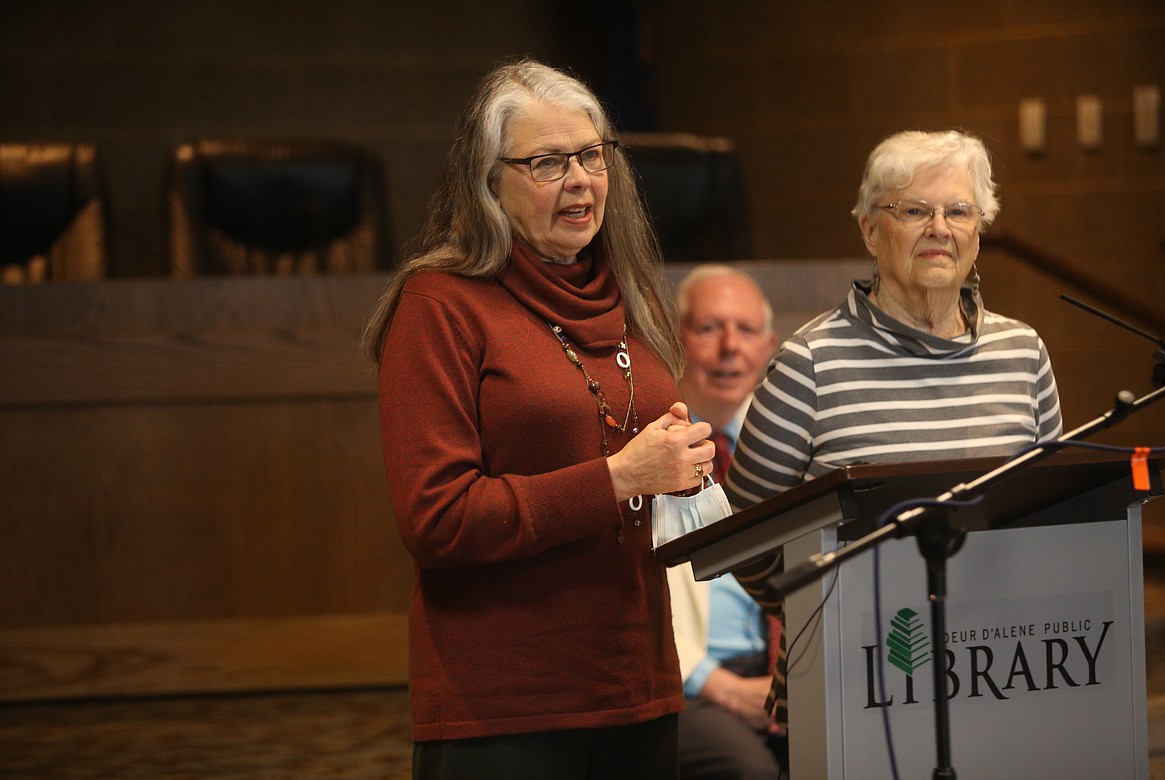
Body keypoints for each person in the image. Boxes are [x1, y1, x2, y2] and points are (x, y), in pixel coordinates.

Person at [361, 59, 716, 780]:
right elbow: (437, 518)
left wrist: (682, 468)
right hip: (506, 705)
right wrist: (617, 478)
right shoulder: (440, 306)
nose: (581, 181)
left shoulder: (627, 289)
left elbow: (632, 466)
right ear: (490, 182)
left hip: (638, 683)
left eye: (591, 156)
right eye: (548, 163)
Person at [725, 129, 1064, 716]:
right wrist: (823, 609)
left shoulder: (1024, 353)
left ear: (978, 231)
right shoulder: (810, 364)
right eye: (915, 210)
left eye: (959, 211)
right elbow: (744, 539)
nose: (940, 228)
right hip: (847, 680)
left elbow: (1055, 512)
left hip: (1009, 668)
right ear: (869, 230)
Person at [667, 264, 785, 780]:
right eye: (710, 328)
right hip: (681, 683)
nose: (730, 347)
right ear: (676, 340)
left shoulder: (791, 443)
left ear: (769, 346)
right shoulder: (642, 442)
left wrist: (792, 681)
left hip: (779, 670)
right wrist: (721, 686)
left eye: (747, 329)